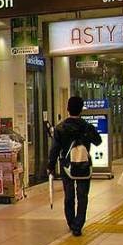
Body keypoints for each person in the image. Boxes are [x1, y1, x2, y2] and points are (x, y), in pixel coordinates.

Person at [48, 96, 102, 237]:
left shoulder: (60, 128)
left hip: (67, 166)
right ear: (81, 109)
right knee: (82, 195)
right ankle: (78, 225)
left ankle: (71, 222)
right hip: (84, 165)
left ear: (68, 109)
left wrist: (50, 166)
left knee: (69, 195)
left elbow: (54, 149)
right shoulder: (87, 127)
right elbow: (98, 141)